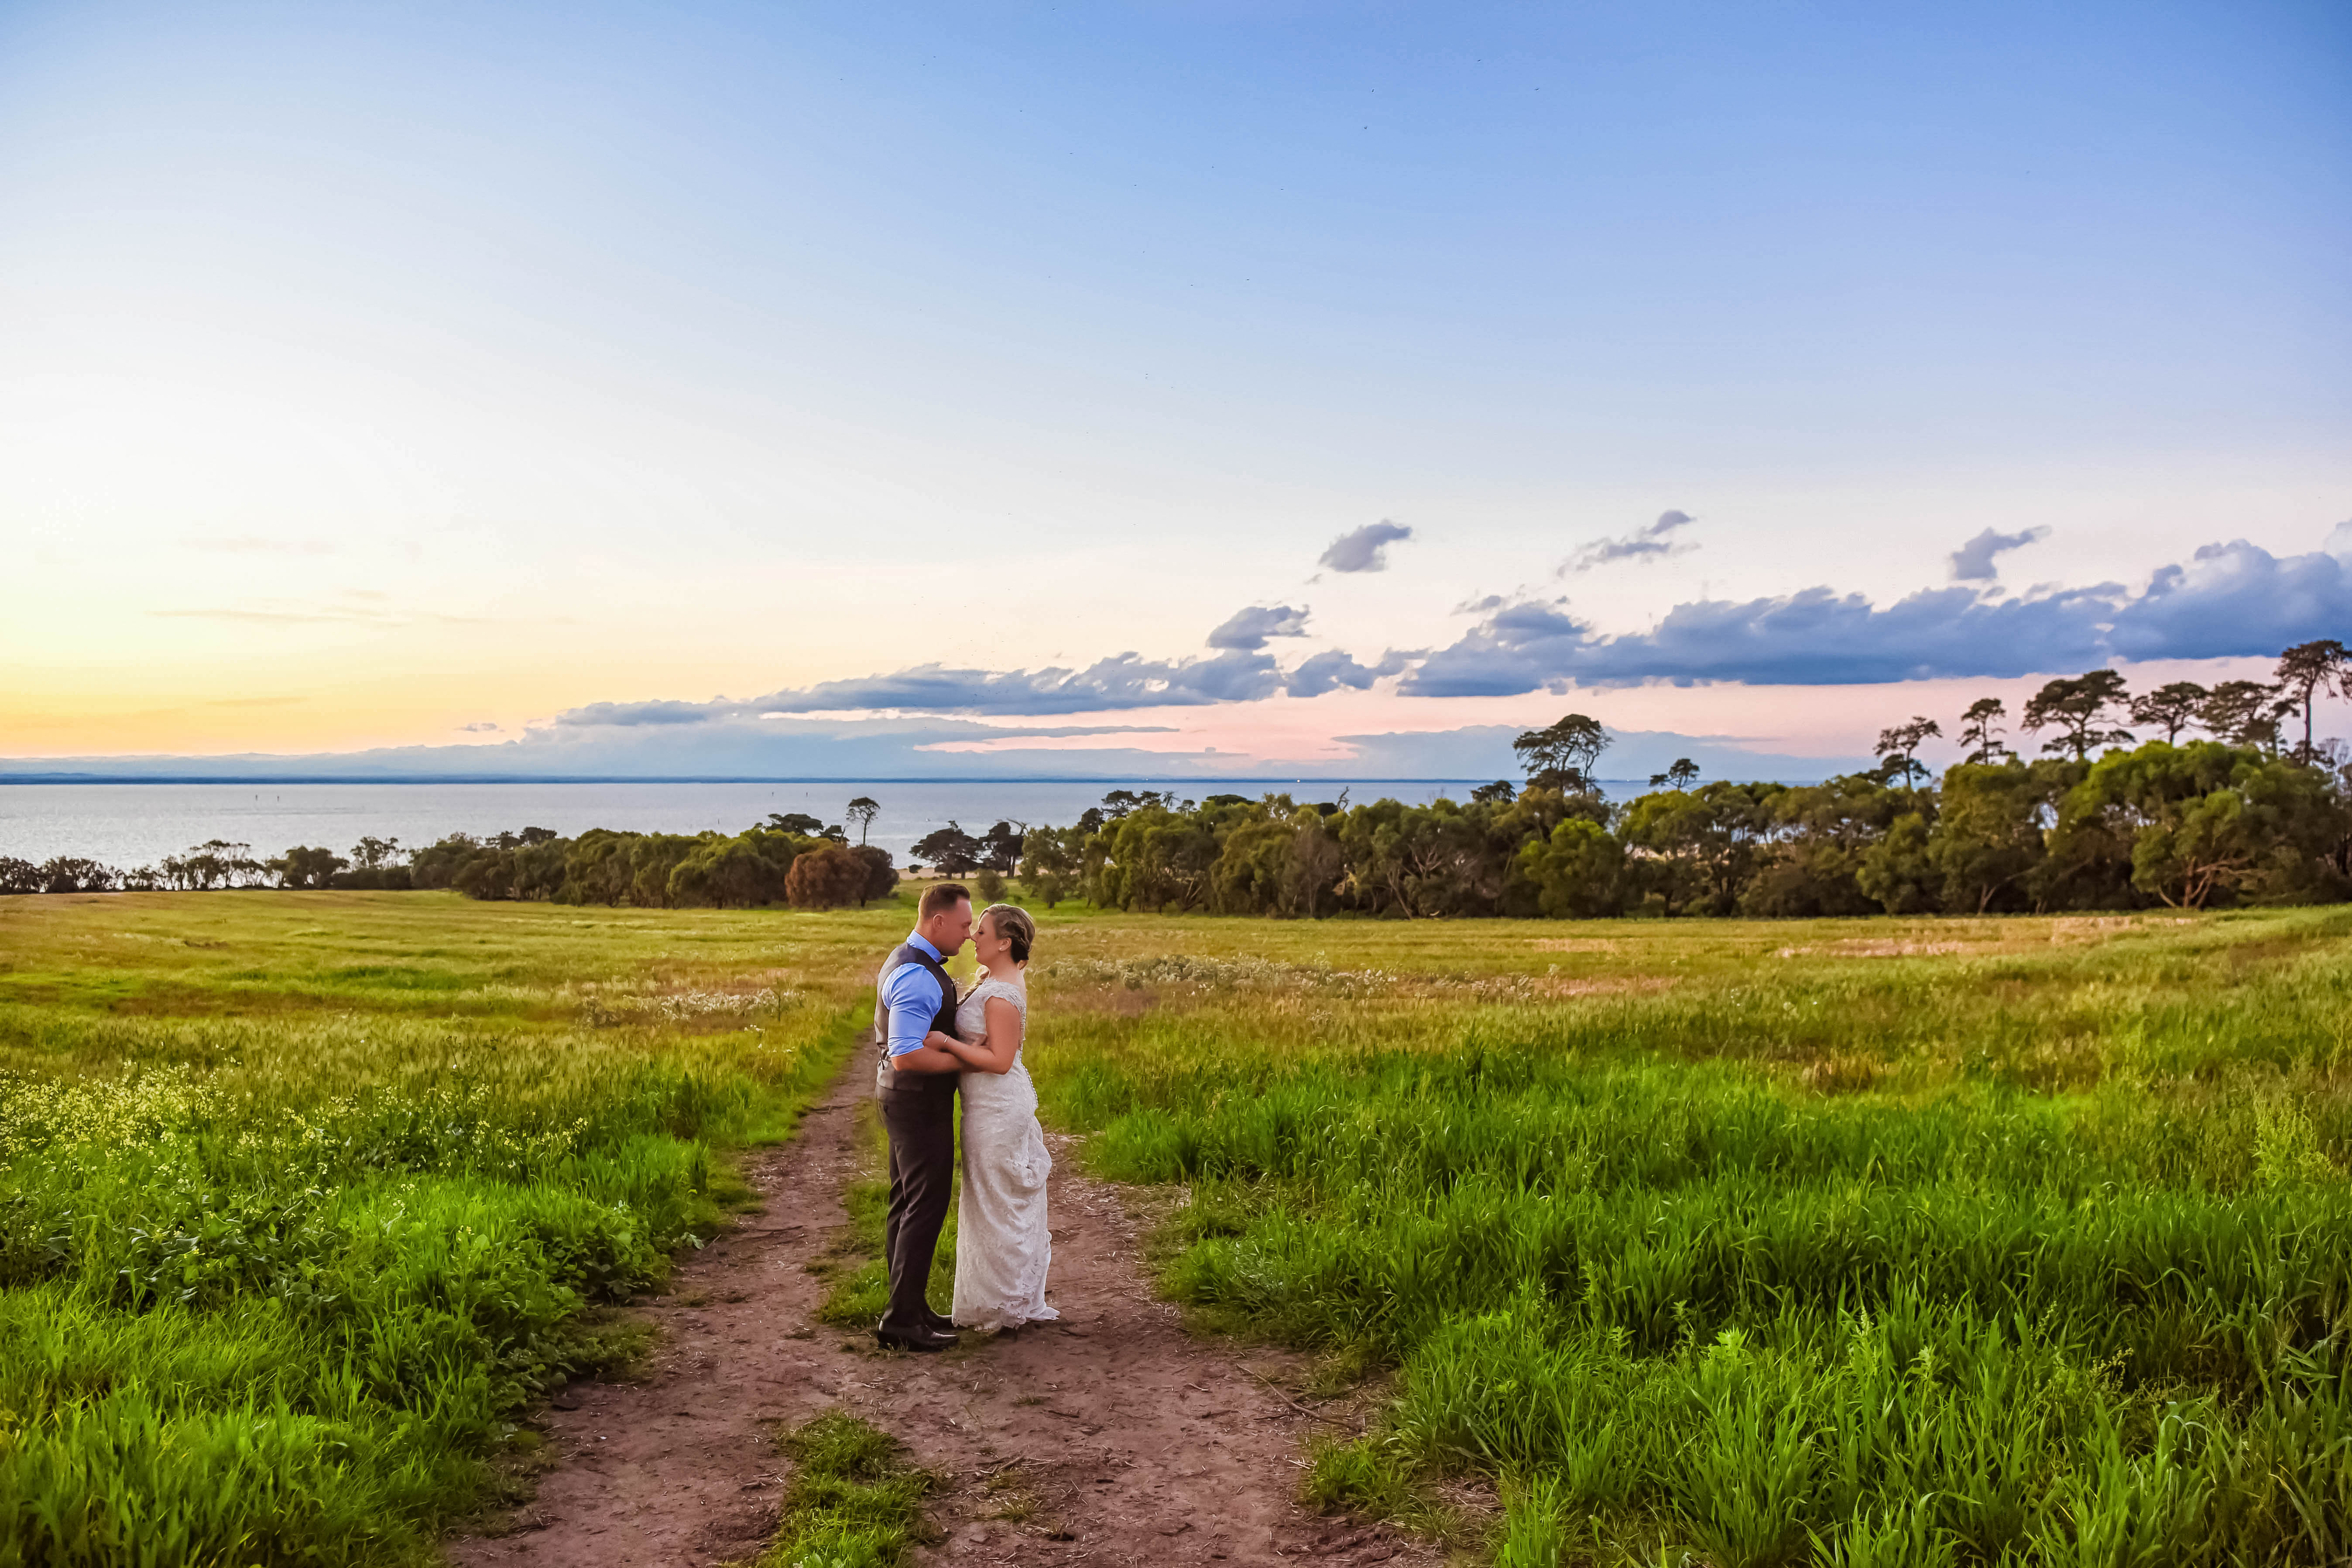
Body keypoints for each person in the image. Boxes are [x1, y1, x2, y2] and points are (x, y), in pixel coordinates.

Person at [928, 903, 1057, 1332]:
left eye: (980, 931)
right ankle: (994, 1299)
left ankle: (1004, 1303)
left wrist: (946, 1040)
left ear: (1004, 941)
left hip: (998, 1106)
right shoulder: (994, 981)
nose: (971, 937)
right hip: (987, 1102)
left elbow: (1000, 1060)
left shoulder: (1002, 993)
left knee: (995, 1202)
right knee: (988, 1201)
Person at [870, 883, 975, 1352]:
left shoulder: (911, 959)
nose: (969, 934)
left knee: (905, 1203)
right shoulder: (916, 974)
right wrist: (968, 1059)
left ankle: (908, 1306)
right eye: (963, 924)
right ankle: (900, 1321)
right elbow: (907, 1055)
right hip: (915, 1103)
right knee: (924, 1208)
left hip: (904, 1101)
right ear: (937, 921)